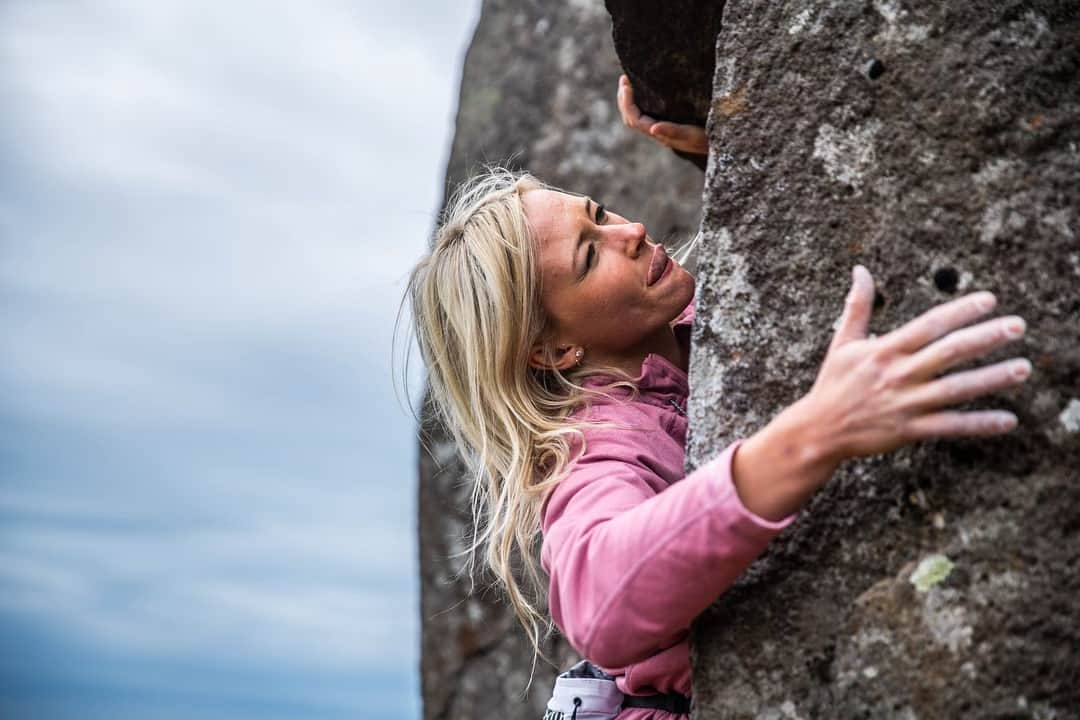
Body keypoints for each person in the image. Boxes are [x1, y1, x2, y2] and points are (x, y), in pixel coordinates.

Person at [407, 86, 1030, 720]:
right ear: (552, 350)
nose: (632, 230)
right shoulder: (595, 447)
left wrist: (729, 155)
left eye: (599, 212)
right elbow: (598, 599)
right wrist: (816, 433)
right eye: (590, 256)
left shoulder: (691, 329)